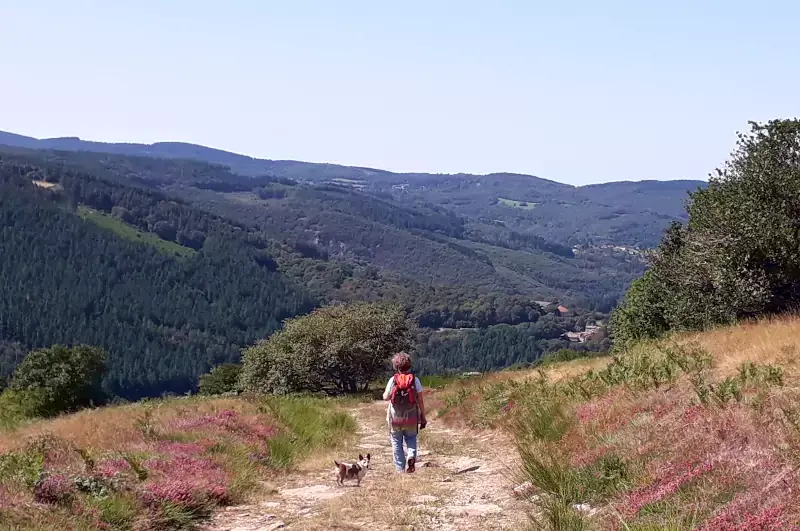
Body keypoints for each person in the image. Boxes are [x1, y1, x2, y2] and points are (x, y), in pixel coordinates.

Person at [383, 352, 427, 473]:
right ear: (409, 366)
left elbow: (385, 397)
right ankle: (411, 455)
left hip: (395, 417)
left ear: (396, 366)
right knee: (411, 438)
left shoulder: (393, 380)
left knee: (396, 441)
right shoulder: (415, 380)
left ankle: (400, 470)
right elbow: (420, 401)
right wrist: (423, 417)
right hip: (411, 416)